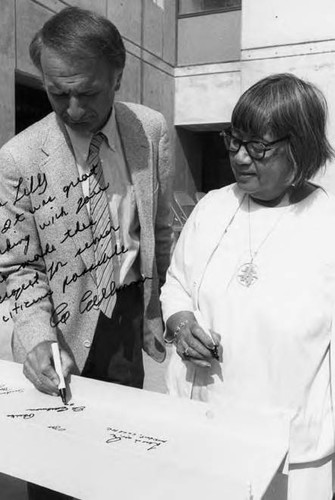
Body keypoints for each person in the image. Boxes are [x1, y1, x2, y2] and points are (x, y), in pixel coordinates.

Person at [0, 6, 173, 499]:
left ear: (117, 75)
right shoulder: (20, 158)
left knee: (118, 459)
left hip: (125, 316)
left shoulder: (151, 130)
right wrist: (34, 337)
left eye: (87, 92)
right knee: (55, 467)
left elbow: (159, 227)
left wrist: (154, 312)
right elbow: (19, 265)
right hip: (56, 326)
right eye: (57, 93)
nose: (72, 108)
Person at [160, 73, 335, 499]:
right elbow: (177, 284)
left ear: (301, 148)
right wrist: (181, 324)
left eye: (258, 147)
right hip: (203, 426)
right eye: (234, 141)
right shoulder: (213, 207)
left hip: (293, 449)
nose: (239, 157)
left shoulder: (326, 223)